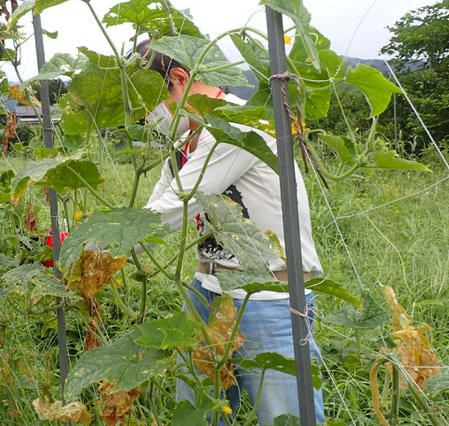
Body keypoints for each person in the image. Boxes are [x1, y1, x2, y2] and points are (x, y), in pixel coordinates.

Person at [136, 39, 325, 424]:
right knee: (198, 412)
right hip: (207, 290)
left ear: (179, 78)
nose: (145, 117)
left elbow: (175, 207)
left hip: (269, 298)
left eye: (146, 104)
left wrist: (103, 241)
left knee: (284, 416)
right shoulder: (185, 138)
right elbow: (155, 205)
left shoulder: (233, 126)